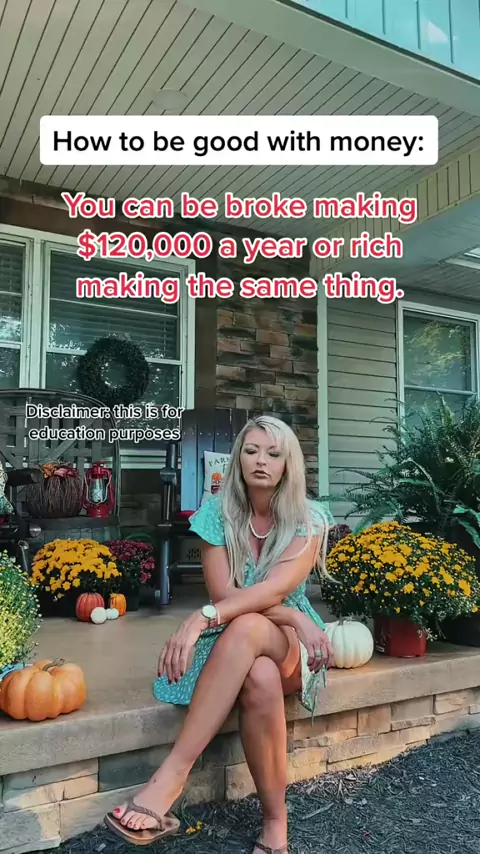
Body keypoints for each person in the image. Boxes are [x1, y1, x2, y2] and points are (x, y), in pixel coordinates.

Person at [105, 415, 335, 851]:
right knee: (258, 673)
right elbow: (226, 595)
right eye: (251, 451)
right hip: (242, 632)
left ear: (288, 463)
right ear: (238, 459)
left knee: (250, 627)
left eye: (273, 453)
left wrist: (201, 619)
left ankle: (171, 775)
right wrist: (290, 616)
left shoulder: (310, 518)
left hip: (289, 648)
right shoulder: (217, 514)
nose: (261, 461)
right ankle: (275, 823)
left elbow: (274, 590)